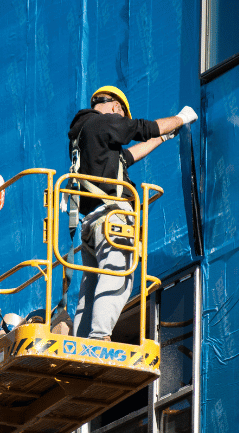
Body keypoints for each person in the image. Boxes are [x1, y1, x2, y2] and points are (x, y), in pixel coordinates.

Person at [68, 86, 197, 341]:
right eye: (121, 116)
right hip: (112, 219)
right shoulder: (103, 123)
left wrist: (162, 138)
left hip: (92, 225)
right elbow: (141, 128)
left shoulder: (85, 135)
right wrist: (181, 118)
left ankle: (82, 344)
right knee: (118, 275)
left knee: (91, 287)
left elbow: (128, 156)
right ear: (115, 107)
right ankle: (99, 337)